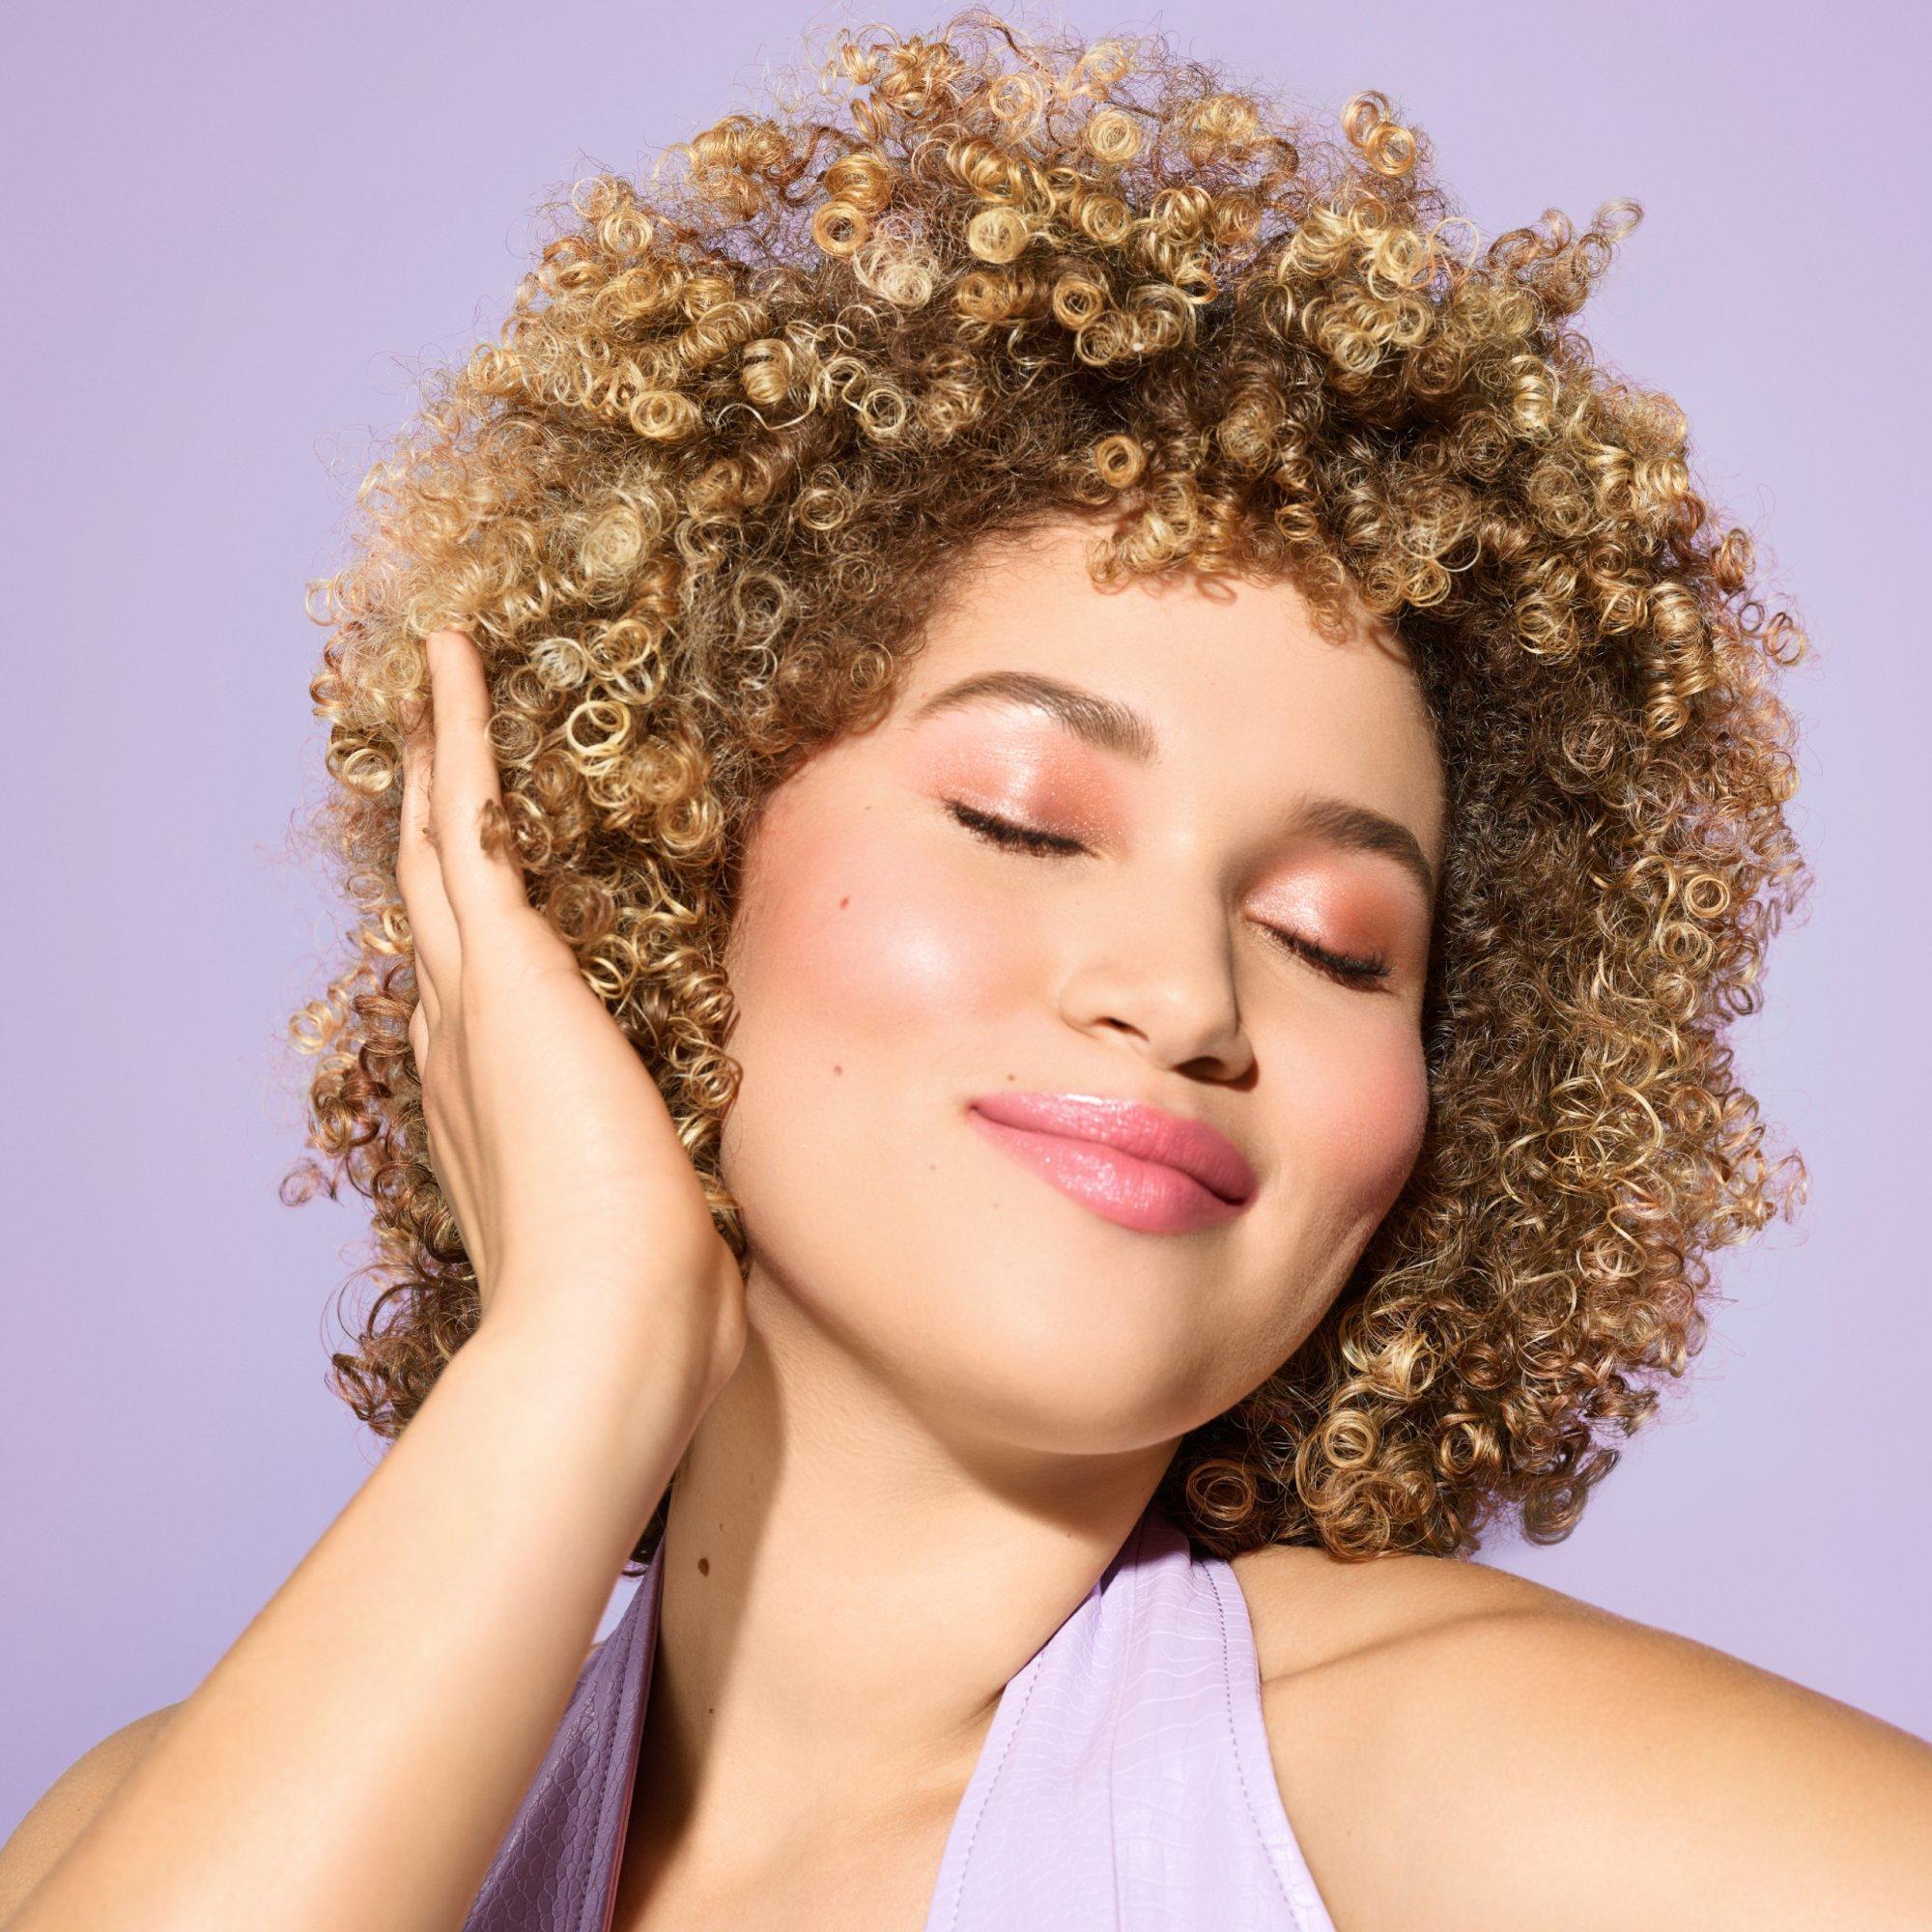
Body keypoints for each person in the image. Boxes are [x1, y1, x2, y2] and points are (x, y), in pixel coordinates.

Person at [4, 10, 1928, 1929]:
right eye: (1023, 820)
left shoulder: (1497, 1789)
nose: (1188, 997)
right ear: (665, 855)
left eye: (1333, 943)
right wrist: (582, 1341)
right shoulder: (161, 1822)